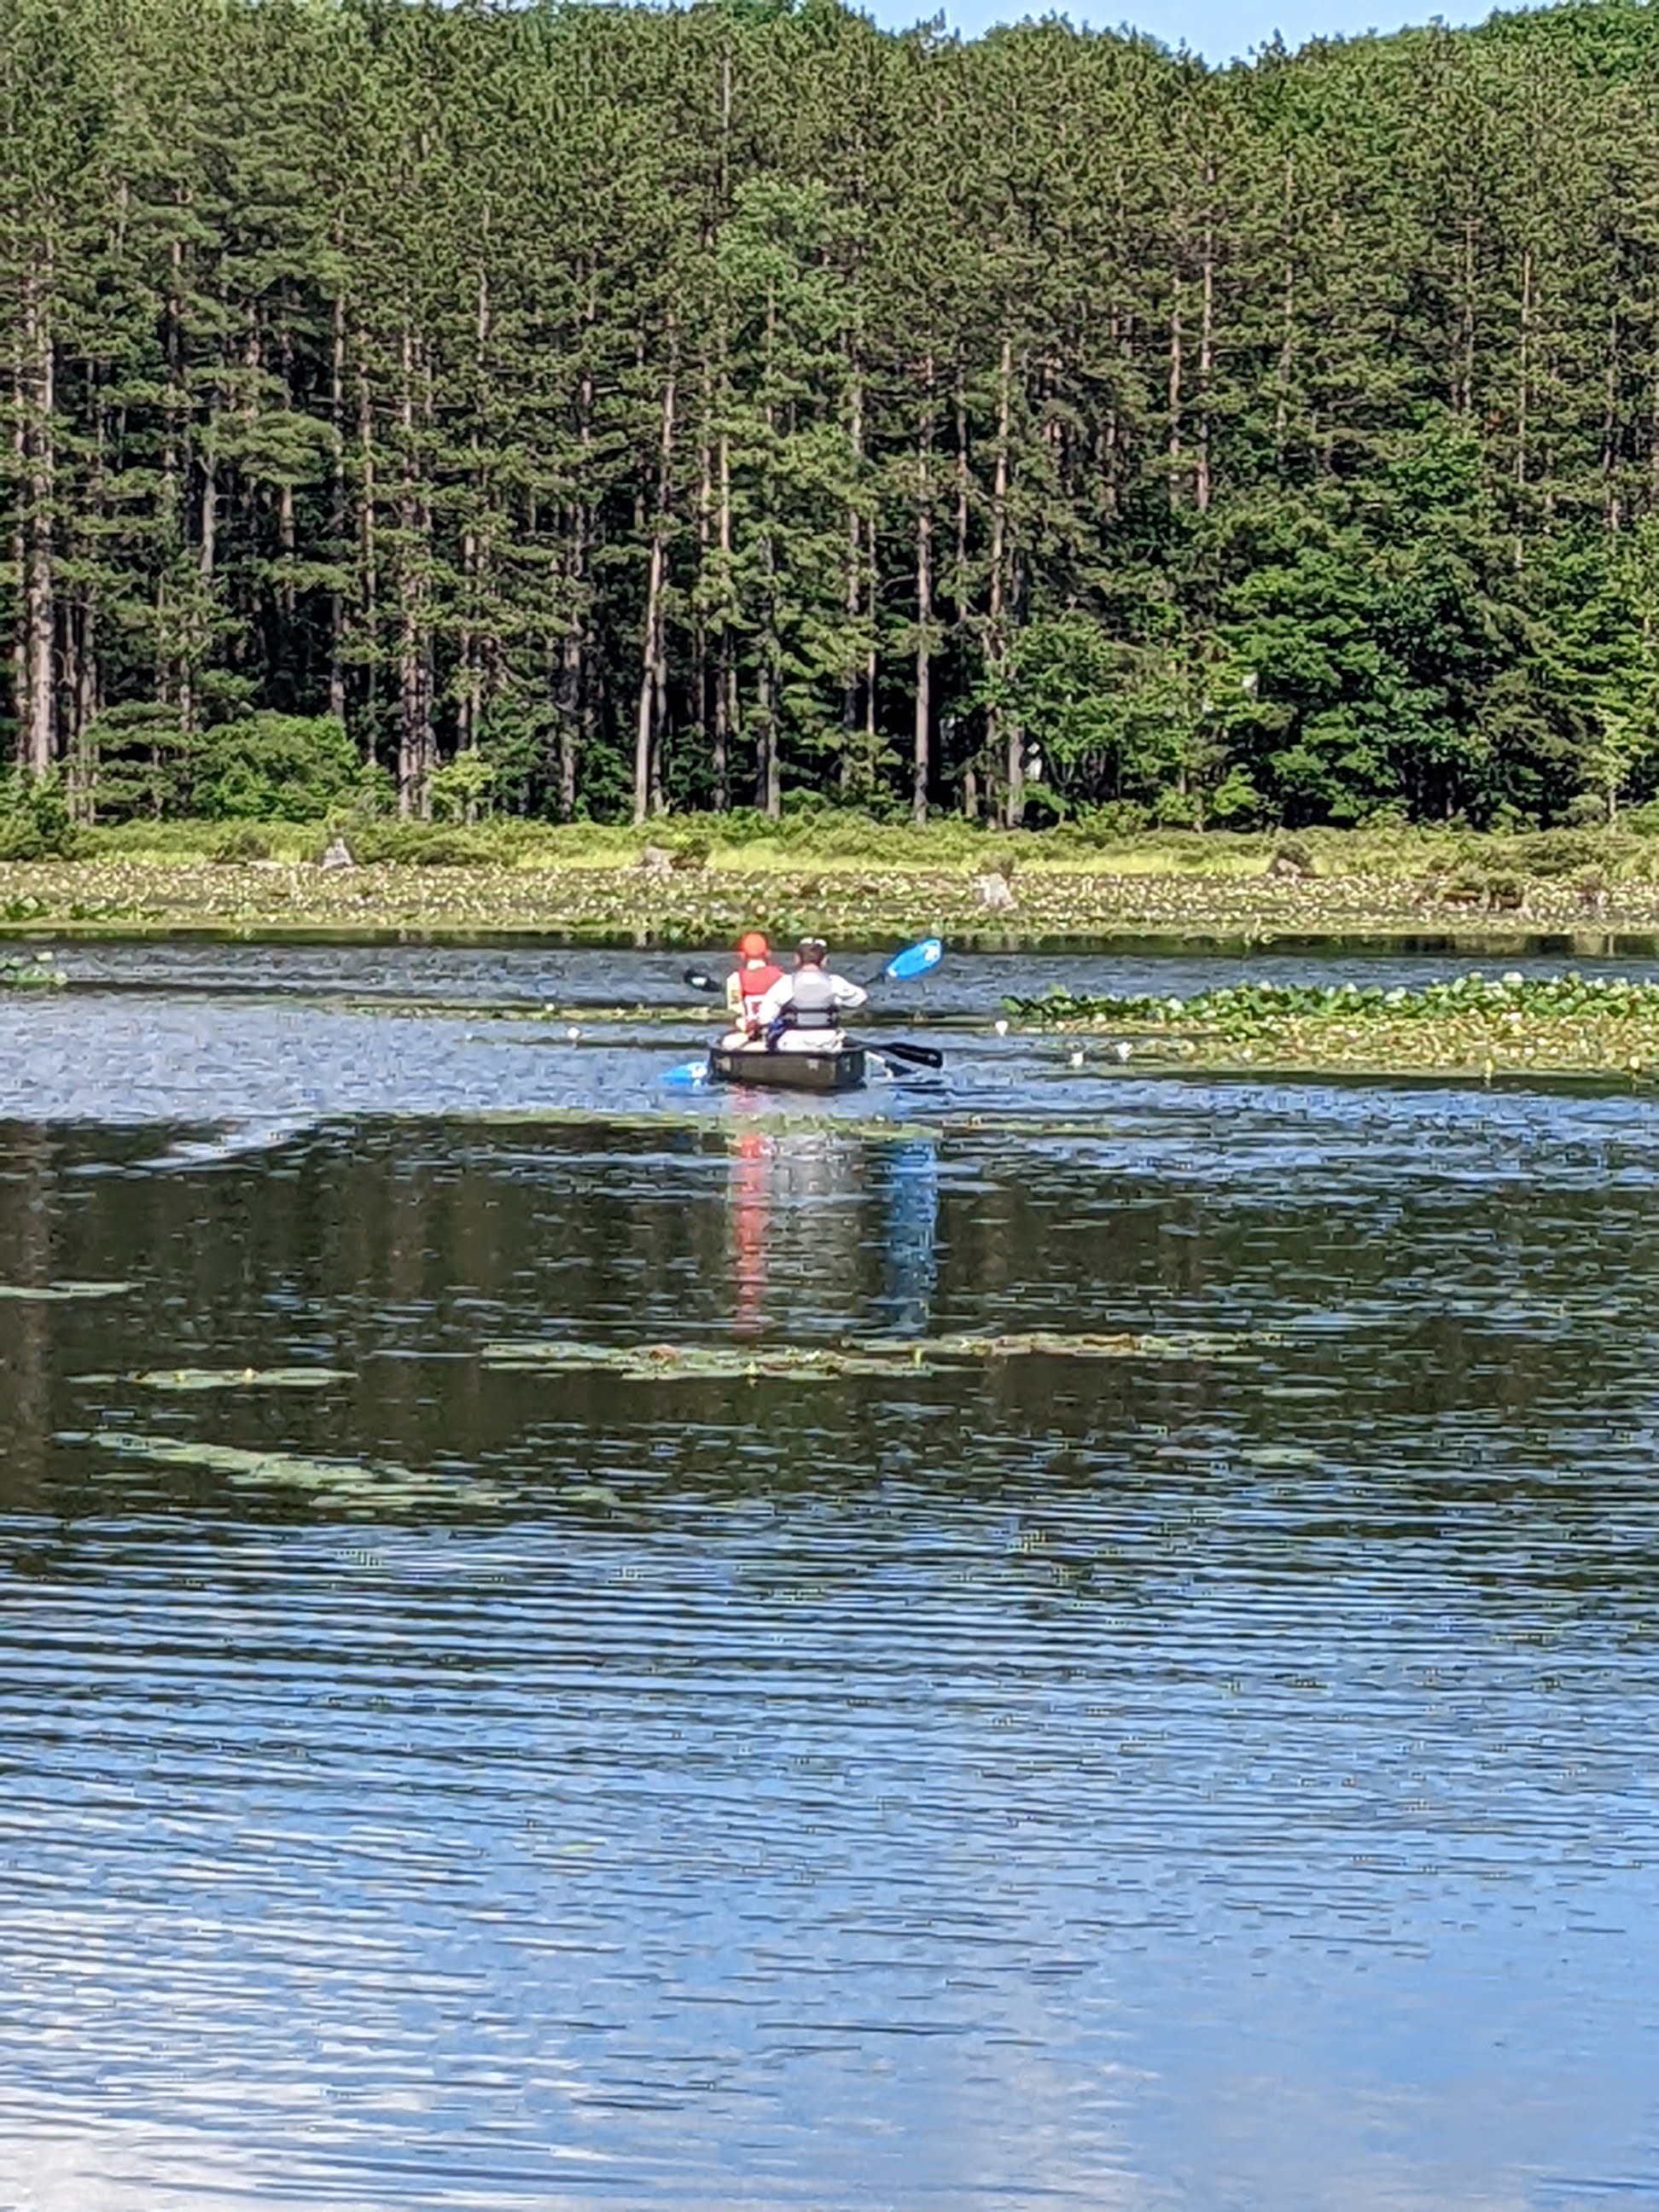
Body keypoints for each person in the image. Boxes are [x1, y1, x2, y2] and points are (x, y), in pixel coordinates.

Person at [751, 938, 867, 1051]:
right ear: (824, 960)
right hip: (827, 1043)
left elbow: (764, 1018)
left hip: (792, 1044)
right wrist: (839, 1005)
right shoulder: (835, 983)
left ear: (796, 959)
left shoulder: (786, 983)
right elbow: (860, 999)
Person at [721, 931, 783, 1046]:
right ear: (768, 953)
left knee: (727, 1041)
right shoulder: (782, 978)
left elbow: (737, 1014)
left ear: (742, 955)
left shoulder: (735, 980)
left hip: (751, 1038)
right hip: (777, 1037)